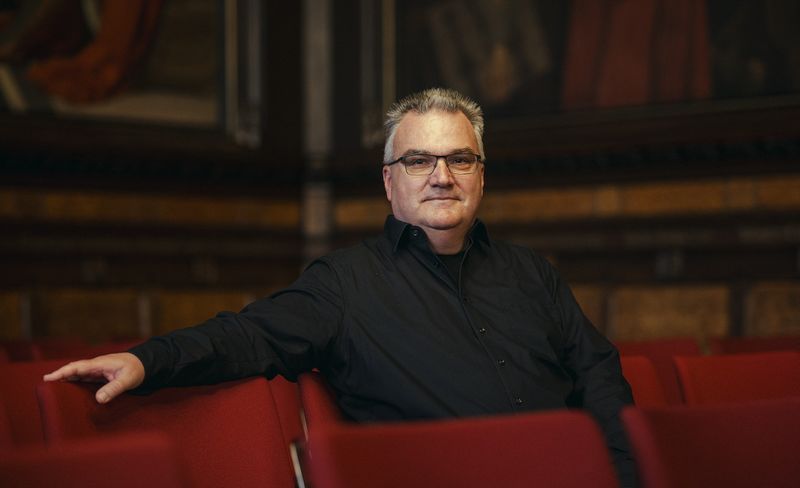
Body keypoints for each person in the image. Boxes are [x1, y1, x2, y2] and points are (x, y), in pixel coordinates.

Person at [45, 87, 636, 486]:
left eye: (460, 159)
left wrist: (623, 475)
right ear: (389, 181)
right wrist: (145, 360)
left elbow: (599, 375)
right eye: (418, 161)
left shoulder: (532, 273)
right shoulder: (345, 285)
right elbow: (248, 337)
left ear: (481, 177)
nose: (441, 177)